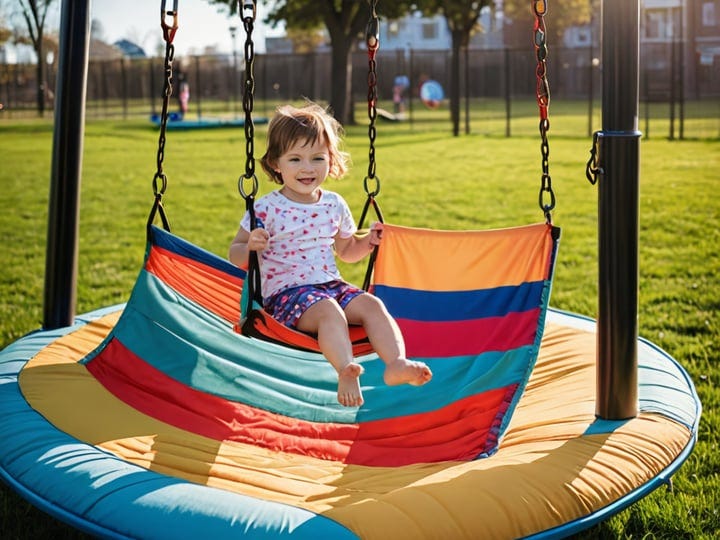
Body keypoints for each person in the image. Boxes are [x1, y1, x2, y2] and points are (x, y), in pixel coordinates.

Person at [229, 102, 432, 407]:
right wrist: (251, 246)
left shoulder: (334, 204)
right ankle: (345, 370)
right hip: (287, 296)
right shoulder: (266, 207)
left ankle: (396, 364)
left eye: (317, 158)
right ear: (275, 164)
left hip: (330, 284)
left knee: (372, 305)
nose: (307, 168)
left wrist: (368, 242)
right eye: (295, 159)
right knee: (329, 311)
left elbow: (347, 252)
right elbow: (235, 254)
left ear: (331, 160)